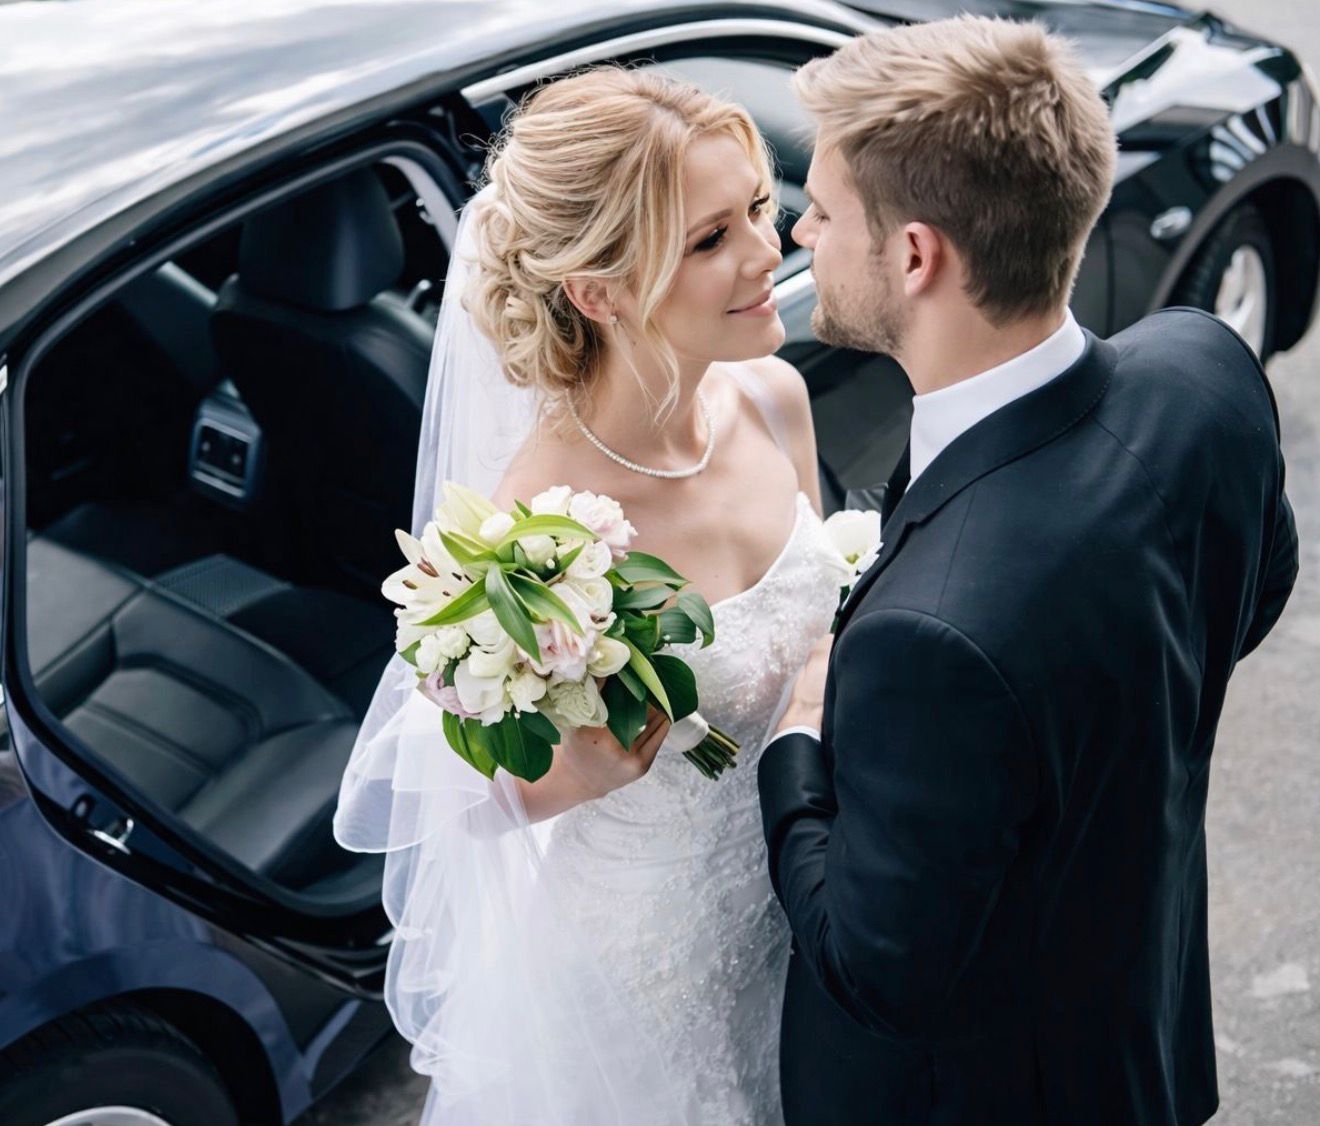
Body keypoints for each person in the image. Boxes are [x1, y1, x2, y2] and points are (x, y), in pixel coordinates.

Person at [759, 15, 1299, 1126]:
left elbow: (876, 971)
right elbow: (1254, 588)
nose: (797, 230)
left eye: (820, 208)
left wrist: (794, 746)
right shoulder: (1202, 368)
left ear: (916, 254)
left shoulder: (932, 638)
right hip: (1136, 1020)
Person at [334, 66, 852, 1125]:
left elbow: (827, 627)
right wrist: (576, 777)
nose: (770, 248)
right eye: (711, 240)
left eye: (759, 207)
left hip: (810, 905)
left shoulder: (773, 395)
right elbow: (475, 796)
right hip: (650, 967)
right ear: (599, 290)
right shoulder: (534, 531)